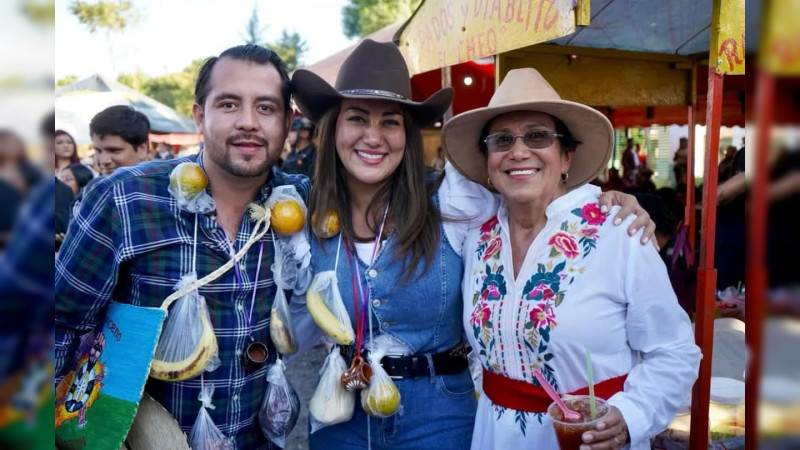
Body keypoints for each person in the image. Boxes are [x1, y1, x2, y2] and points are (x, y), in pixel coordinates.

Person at [291, 39, 656, 449]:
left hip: (439, 417)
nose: (373, 136)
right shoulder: (302, 211)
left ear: (407, 134)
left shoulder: (453, 202)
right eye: (357, 118)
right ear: (334, 127)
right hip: (342, 413)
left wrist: (604, 200)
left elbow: (528, 183)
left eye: (390, 122)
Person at [56, 45, 309, 448]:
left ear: (287, 121)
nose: (248, 122)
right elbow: (60, 326)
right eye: (228, 104)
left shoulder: (297, 204)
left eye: (266, 108)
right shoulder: (125, 199)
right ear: (199, 116)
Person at [443, 68, 700, 449]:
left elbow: (674, 350)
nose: (518, 151)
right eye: (501, 140)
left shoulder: (620, 231)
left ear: (567, 156)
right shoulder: (476, 240)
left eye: (537, 136)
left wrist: (631, 415)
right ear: (487, 162)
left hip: (592, 440)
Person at [69, 105, 150, 214]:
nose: (103, 160)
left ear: (142, 149)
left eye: (114, 150)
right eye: (98, 151)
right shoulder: (91, 190)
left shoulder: (166, 192)